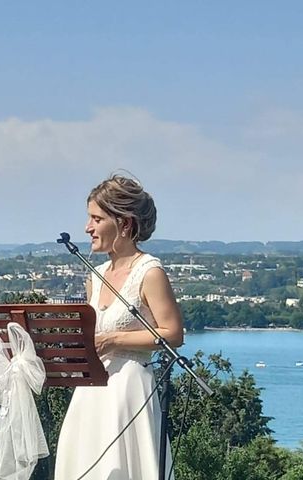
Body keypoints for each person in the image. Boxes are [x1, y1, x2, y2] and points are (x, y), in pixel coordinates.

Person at [54, 174, 184, 480]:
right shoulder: (94, 277)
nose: (88, 228)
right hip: (91, 392)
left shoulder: (149, 272)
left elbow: (173, 333)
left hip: (129, 391)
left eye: (96, 219)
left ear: (124, 224)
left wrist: (114, 339)